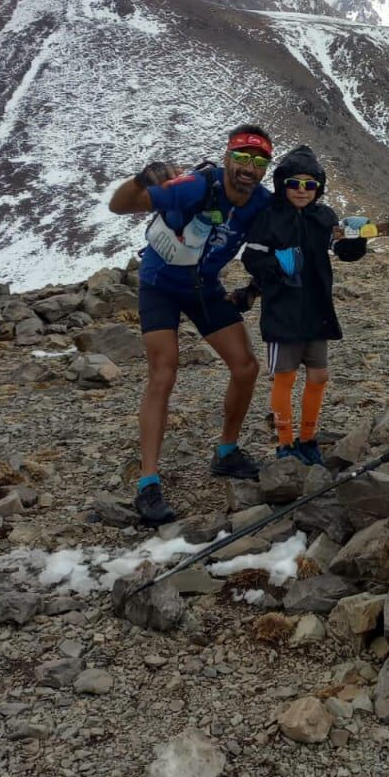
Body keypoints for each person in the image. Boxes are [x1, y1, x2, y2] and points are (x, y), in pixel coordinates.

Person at [108, 125, 275, 525]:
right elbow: (119, 206)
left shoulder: (261, 203)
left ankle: (226, 452)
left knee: (246, 366)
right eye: (242, 157)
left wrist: (254, 289)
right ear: (227, 156)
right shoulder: (193, 187)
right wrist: (140, 178)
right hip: (159, 284)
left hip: (203, 287)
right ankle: (148, 483)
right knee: (163, 372)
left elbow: (285, 234)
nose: (248, 168)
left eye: (259, 161)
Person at [242, 145, 367, 466]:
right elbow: (251, 258)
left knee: (319, 375)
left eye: (310, 185)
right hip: (281, 309)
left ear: (318, 188)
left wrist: (358, 236)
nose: (301, 190)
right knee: (284, 377)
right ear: (282, 183)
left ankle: (308, 438)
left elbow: (345, 253)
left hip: (317, 309)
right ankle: (285, 444)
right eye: (294, 183)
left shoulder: (324, 217)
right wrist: (276, 263)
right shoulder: (268, 217)